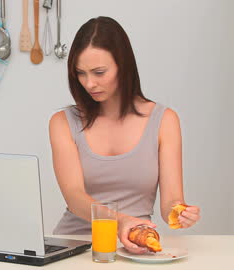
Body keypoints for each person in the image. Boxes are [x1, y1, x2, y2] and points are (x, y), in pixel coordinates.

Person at [49, 16, 201, 254]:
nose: (89, 83)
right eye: (81, 73)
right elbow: (75, 197)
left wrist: (179, 211)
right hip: (75, 246)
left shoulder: (164, 120)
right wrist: (121, 222)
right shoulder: (62, 122)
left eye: (99, 72)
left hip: (136, 246)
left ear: (124, 65)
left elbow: (171, 201)